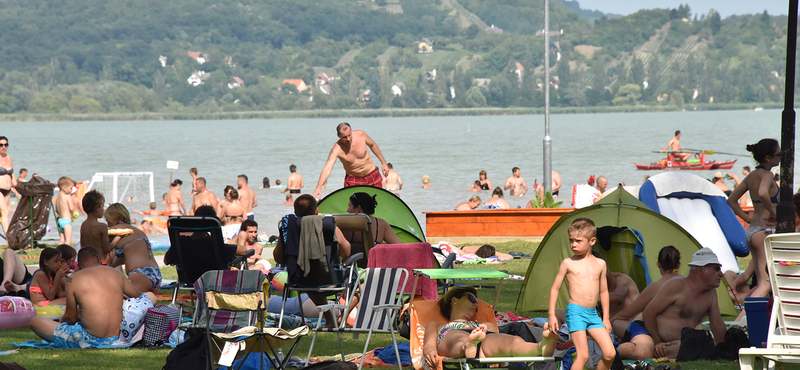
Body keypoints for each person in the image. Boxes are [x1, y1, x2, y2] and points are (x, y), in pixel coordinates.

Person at [29, 247, 144, 348]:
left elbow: (71, 317)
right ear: (98, 259)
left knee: (35, 321)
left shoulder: (74, 279)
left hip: (89, 340)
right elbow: (141, 298)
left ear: (79, 264)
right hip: (118, 337)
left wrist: (61, 326)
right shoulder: (116, 273)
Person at [423, 287, 556, 367]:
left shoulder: (483, 326)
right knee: (459, 338)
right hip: (451, 336)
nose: (476, 305)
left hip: (480, 343)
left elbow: (497, 340)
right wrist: (429, 350)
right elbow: (429, 344)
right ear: (454, 300)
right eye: (472, 299)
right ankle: (467, 346)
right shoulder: (437, 326)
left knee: (512, 341)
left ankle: (539, 348)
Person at [273, 194, 352, 327]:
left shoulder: (289, 229)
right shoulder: (328, 226)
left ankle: (330, 319)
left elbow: (278, 258)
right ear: (316, 211)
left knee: (311, 278)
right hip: (333, 281)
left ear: (295, 212)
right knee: (356, 277)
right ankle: (342, 318)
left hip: (300, 280)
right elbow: (346, 252)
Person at [548, 218, 615, 370]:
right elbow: (555, 288)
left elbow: (604, 292)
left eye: (578, 241)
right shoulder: (568, 263)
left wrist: (606, 318)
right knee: (583, 355)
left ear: (592, 241)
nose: (573, 244)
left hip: (593, 315)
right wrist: (552, 314)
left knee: (610, 353)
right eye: (571, 240)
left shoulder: (600, 264)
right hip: (576, 312)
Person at [642, 248, 726, 359]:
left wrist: (723, 349)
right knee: (641, 352)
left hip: (676, 342)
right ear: (701, 271)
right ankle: (615, 350)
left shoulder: (710, 292)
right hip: (647, 332)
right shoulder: (676, 285)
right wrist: (657, 341)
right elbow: (648, 313)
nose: (721, 274)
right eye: (717, 269)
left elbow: (717, 324)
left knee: (697, 346)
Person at [727, 138, 781, 298]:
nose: (781, 158)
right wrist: (773, 213)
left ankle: (747, 317)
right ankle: (742, 320)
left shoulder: (751, 176)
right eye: (779, 154)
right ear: (768, 157)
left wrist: (747, 219)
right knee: (765, 285)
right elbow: (763, 192)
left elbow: (731, 200)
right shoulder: (767, 175)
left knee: (761, 283)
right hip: (764, 231)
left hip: (752, 231)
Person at [613, 246, 681, 360]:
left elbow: (626, 313)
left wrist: (608, 323)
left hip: (659, 332)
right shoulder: (687, 286)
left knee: (618, 322)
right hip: (657, 332)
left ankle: (607, 352)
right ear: (678, 265)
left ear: (658, 264)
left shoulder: (656, 287)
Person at [311, 122, 389, 198]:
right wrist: (318, 187)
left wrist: (383, 163)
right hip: (353, 179)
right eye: (344, 137)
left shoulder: (361, 134)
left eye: (349, 135)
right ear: (338, 135)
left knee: (377, 202)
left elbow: (373, 145)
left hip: (371, 174)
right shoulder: (336, 149)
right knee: (354, 208)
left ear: (351, 131)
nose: (348, 139)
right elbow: (327, 168)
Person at [104, 203, 162, 294]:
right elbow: (121, 258)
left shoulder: (114, 231)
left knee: (120, 298)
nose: (107, 224)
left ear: (112, 218)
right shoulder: (137, 231)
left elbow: (102, 249)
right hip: (155, 272)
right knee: (146, 305)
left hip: (140, 273)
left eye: (107, 220)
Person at [80, 190, 111, 257]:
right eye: (102, 207)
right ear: (96, 208)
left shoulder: (83, 225)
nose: (103, 210)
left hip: (87, 260)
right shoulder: (102, 226)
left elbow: (82, 246)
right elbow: (107, 249)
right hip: (100, 261)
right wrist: (118, 238)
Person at [55, 176, 77, 245]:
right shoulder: (67, 196)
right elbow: (72, 208)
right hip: (66, 221)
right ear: (64, 188)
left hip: (60, 220)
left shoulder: (58, 197)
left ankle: (58, 253)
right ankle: (67, 254)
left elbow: (56, 209)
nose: (71, 190)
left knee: (62, 241)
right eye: (71, 188)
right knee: (68, 241)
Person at [0, 136, 15, 234]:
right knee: (5, 211)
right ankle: (10, 238)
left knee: (4, 214)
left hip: (8, 190)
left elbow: (11, 173)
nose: (3, 147)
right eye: (1, 145)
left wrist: (16, 187)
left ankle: (8, 238)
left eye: (6, 144)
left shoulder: (8, 157)